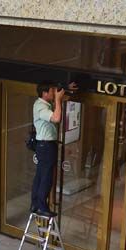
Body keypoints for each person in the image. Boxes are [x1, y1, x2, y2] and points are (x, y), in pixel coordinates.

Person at [31, 81, 73, 217]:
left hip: (43, 145)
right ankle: (42, 207)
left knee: (40, 175)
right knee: (46, 177)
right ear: (44, 93)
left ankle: (35, 204)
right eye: (52, 91)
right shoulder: (41, 106)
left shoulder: (43, 104)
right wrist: (58, 100)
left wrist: (66, 88)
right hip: (46, 146)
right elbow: (56, 118)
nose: (54, 93)